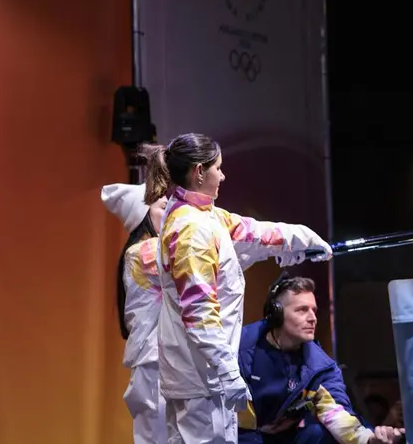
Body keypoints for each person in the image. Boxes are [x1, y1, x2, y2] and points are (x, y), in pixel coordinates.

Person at [142, 133, 333, 444]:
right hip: (202, 377)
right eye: (218, 167)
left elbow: (250, 232)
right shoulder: (191, 229)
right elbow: (199, 314)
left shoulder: (200, 215)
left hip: (201, 375)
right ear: (200, 171)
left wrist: (299, 239)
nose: (223, 175)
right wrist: (228, 373)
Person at [237, 274, 405, 443]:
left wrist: (369, 440)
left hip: (283, 438)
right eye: (302, 310)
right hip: (236, 436)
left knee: (321, 434)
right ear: (276, 314)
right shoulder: (237, 350)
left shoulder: (320, 368)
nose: (313, 318)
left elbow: (337, 414)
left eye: (314, 310)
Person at [101, 183, 168, 443]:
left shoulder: (145, 252)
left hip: (158, 365)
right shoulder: (144, 252)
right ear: (143, 216)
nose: (174, 213)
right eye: (164, 207)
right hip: (156, 367)